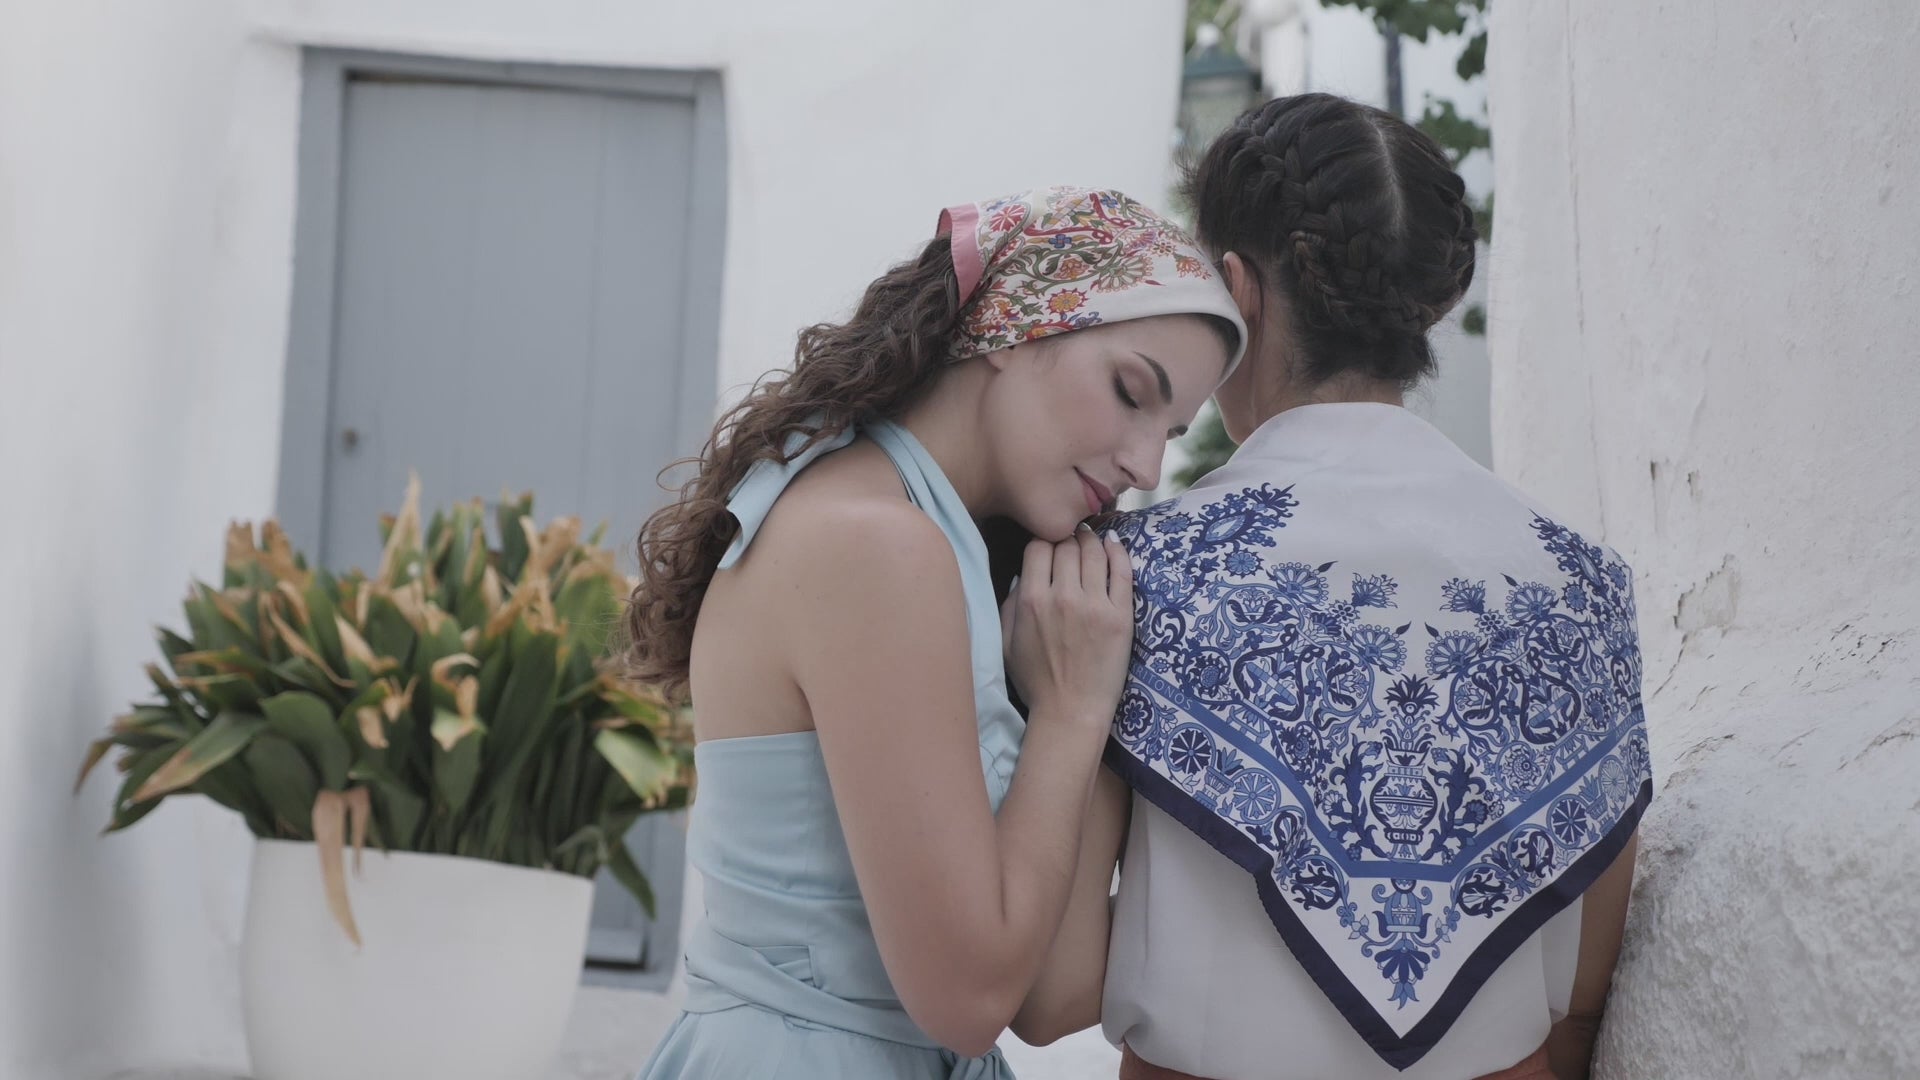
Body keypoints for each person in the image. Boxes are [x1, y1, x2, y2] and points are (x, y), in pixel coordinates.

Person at [1012, 95, 1649, 1080]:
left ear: (1237, 291)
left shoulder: (1126, 578)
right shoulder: (1584, 586)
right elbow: (1584, 985)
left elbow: (1051, 995)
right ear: (1426, 302)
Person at [624, 186, 1247, 1079]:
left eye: (1173, 432)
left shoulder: (931, 542)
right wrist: (1071, 713)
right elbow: (969, 999)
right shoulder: (876, 545)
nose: (1147, 465)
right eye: (1130, 393)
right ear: (1013, 325)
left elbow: (1051, 996)